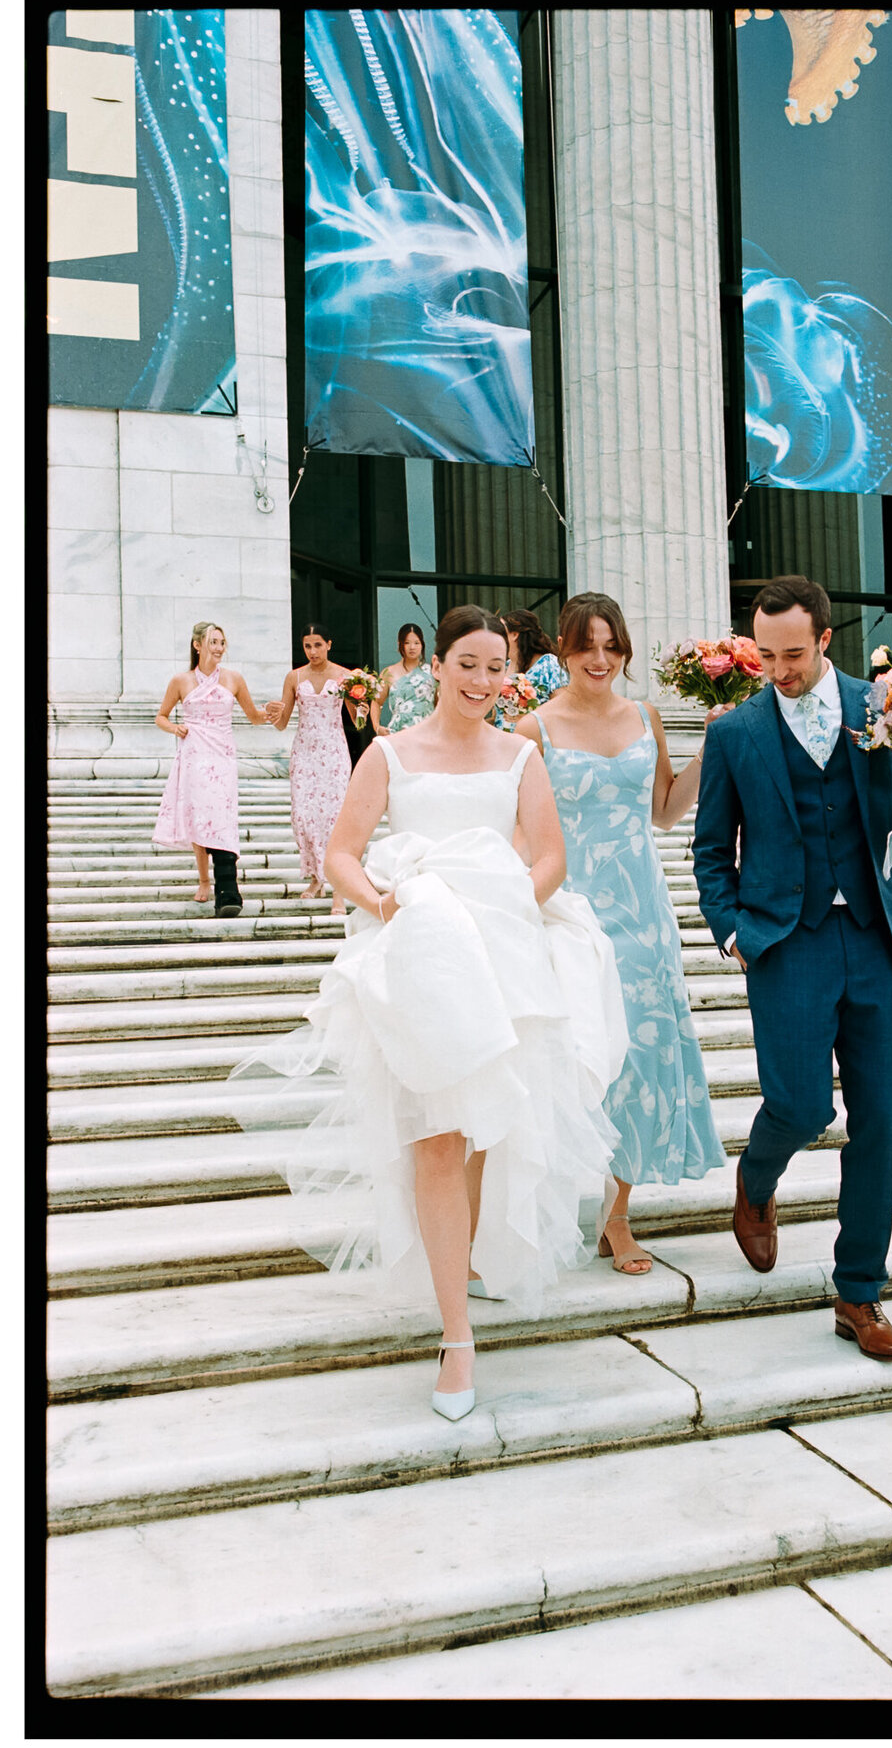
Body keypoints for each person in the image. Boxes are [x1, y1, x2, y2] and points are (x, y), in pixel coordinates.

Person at [232, 605, 626, 1421]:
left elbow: (549, 856)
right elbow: (343, 850)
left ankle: (468, 1264)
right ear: (436, 665)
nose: (483, 682)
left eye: (496, 667)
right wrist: (383, 905)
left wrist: (503, 902)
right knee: (437, 1142)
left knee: (480, 1132)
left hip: (503, 959)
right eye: (469, 665)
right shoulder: (389, 753)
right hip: (415, 958)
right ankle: (456, 1336)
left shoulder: (521, 754)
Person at [692, 575, 892, 1360]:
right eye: (765, 654)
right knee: (798, 1107)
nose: (778, 668)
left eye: (792, 654)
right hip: (785, 940)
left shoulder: (887, 707)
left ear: (826, 640)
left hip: (876, 935)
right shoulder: (735, 732)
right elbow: (709, 847)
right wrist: (730, 930)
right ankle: (755, 1183)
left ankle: (859, 1293)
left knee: (884, 1124)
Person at [517, 593, 731, 1277]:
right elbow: (520, 833)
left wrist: (711, 748)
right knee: (569, 1060)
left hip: (642, 917)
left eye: (612, 647)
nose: (600, 660)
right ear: (563, 649)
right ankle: (536, 1209)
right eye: (587, 646)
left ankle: (616, 1217)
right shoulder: (533, 731)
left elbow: (665, 811)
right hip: (571, 915)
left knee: (636, 1061)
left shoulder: (646, 718)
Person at [153, 621, 272, 916]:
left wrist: (270, 713)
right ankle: (205, 881)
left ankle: (225, 886)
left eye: (222, 642)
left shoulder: (233, 679)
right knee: (199, 815)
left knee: (222, 814)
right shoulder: (181, 681)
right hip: (194, 753)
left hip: (222, 754)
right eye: (213, 642)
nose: (219, 648)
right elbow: (161, 716)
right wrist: (175, 727)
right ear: (198, 645)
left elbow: (254, 716)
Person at [264, 624, 352, 915]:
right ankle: (316, 877)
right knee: (303, 816)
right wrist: (271, 713)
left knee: (334, 818)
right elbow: (281, 722)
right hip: (304, 753)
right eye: (307, 646)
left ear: (329, 644)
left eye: (318, 645)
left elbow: (358, 720)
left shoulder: (345, 676)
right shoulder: (295, 676)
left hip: (334, 753)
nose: (313, 652)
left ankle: (338, 890)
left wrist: (364, 701)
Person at [499, 609, 568, 720]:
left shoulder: (549, 664)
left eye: (501, 631)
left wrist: (529, 718)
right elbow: (498, 716)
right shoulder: (503, 667)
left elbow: (563, 709)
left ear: (515, 635)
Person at [372, 623, 436, 733]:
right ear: (400, 644)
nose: (412, 647)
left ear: (422, 645)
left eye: (416, 643)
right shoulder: (389, 672)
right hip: (397, 733)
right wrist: (377, 727)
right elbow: (376, 702)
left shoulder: (432, 672)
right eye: (407, 643)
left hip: (426, 733)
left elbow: (440, 704)